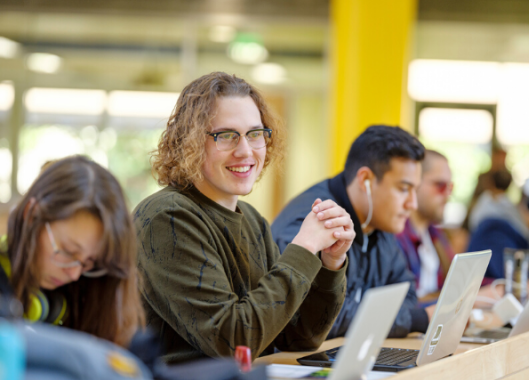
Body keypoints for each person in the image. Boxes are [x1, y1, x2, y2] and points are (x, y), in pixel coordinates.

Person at [134, 72, 353, 363]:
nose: (245, 151)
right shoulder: (167, 218)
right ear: (191, 143)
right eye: (225, 136)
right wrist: (303, 249)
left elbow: (298, 336)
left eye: (255, 134)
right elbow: (235, 344)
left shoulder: (251, 219)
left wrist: (329, 263)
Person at [272, 125, 430, 339]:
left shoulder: (377, 222)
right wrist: (414, 320)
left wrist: (365, 314)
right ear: (365, 180)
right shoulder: (313, 220)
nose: (412, 204)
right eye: (403, 189)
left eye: (415, 191)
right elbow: (316, 319)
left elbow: (406, 294)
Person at [1, 155, 144, 347]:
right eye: (68, 252)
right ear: (31, 215)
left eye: (90, 262)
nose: (75, 273)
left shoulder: (86, 286)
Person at [396, 150, 454, 302]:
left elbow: (456, 282)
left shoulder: (435, 234)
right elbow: (404, 306)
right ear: (415, 183)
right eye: (440, 185)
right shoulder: (397, 235)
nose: (447, 194)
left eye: (450, 187)